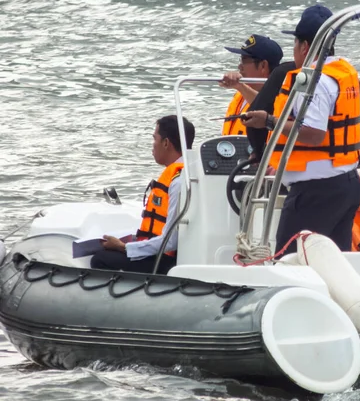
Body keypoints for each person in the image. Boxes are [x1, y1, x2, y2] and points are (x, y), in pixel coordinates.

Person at [243, 5, 360, 255]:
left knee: (291, 261)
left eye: (295, 44)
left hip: (316, 194)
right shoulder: (344, 73)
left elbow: (313, 133)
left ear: (305, 47)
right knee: (334, 263)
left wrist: (267, 121)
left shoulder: (315, 80)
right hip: (346, 184)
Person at [91, 115, 196, 274]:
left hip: (168, 260)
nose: (152, 145)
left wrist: (124, 247)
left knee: (100, 259)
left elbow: (170, 241)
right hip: (173, 253)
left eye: (155, 139)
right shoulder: (192, 170)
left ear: (166, 143)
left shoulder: (177, 182)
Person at [220, 35, 283, 136]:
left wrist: (239, 86)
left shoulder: (281, 97)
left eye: (244, 60)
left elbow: (267, 108)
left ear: (263, 66)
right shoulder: (242, 93)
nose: (240, 66)